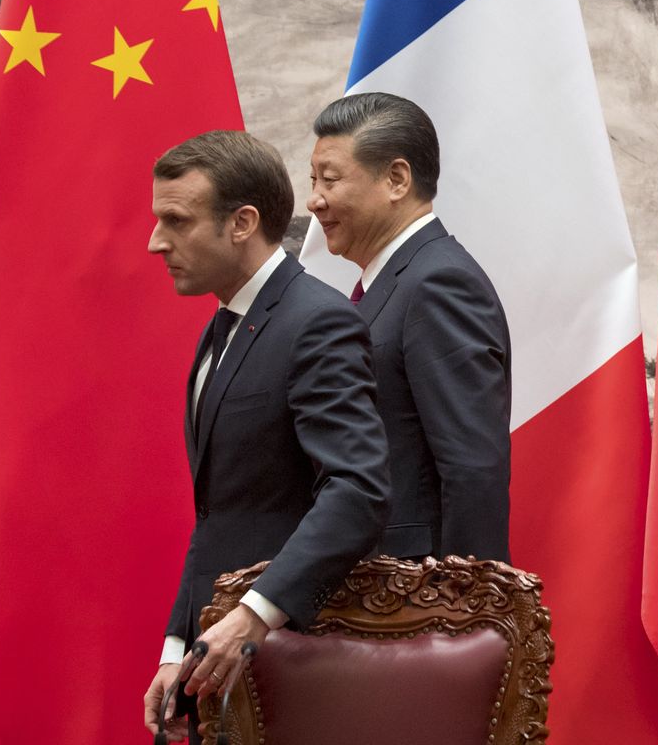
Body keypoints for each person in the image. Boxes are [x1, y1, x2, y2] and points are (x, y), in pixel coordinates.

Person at [140, 130, 390, 741]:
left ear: (242, 223)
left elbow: (358, 490)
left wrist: (255, 614)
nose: (155, 241)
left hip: (292, 667)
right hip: (221, 664)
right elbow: (219, 513)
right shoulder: (222, 325)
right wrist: (177, 646)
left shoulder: (318, 322)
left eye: (177, 220)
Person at [308, 93, 511, 562]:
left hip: (418, 588)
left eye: (330, 180)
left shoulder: (439, 283)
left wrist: (464, 597)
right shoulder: (395, 281)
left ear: (397, 179)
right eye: (312, 179)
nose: (314, 200)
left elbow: (472, 468)